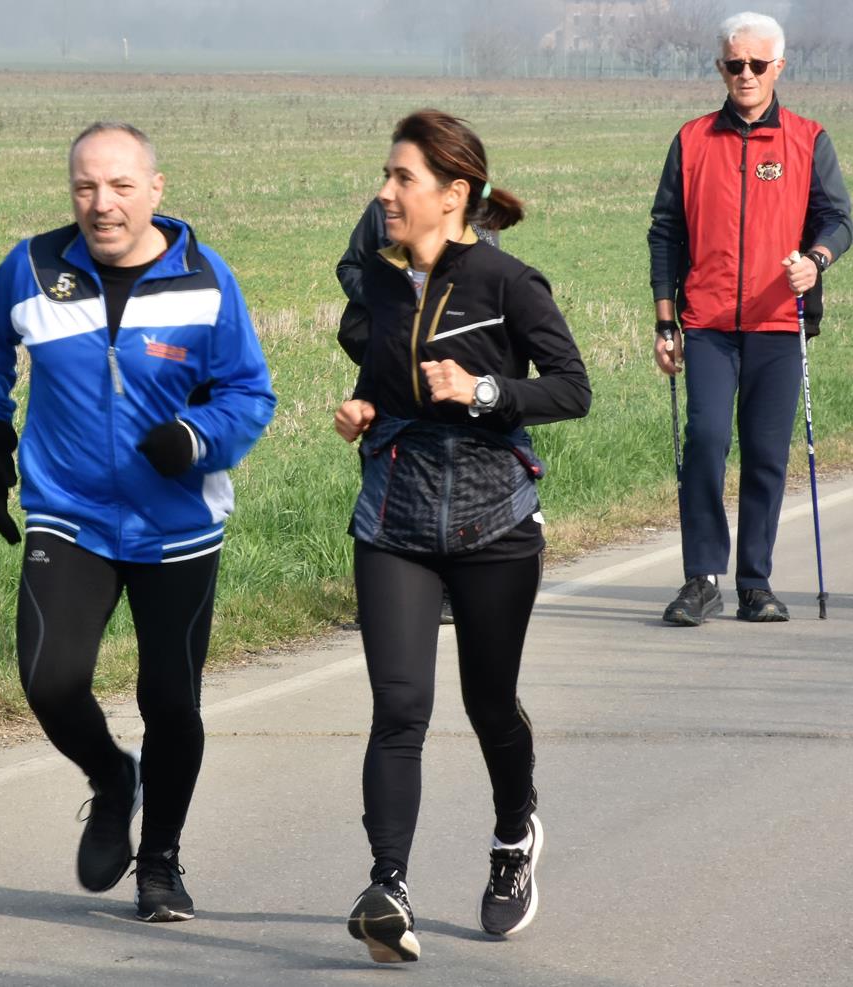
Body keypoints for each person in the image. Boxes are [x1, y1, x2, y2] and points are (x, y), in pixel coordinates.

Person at [0, 122, 276, 922]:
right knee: (49, 680)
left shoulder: (206, 281)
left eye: (121, 186)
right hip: (69, 513)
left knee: (171, 702)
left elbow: (250, 393)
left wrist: (197, 437)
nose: (102, 204)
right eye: (86, 187)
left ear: (155, 191)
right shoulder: (32, 269)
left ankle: (159, 860)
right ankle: (111, 776)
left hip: (179, 524)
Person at [334, 109, 590, 962]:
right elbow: (383, 374)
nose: (385, 191)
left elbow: (571, 388)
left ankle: (514, 833)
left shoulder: (508, 283)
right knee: (400, 706)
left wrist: (483, 391)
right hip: (395, 518)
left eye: (401, 177)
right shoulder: (380, 284)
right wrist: (364, 409)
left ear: (454, 193)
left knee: (489, 704)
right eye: (386, 174)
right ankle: (387, 887)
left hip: (493, 523)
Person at [648, 11, 852, 626]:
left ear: (778, 67)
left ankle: (755, 584)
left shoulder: (808, 139)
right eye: (735, 64)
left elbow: (837, 221)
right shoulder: (691, 141)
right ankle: (701, 578)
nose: (746, 74)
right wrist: (665, 323)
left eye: (757, 64)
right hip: (708, 324)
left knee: (765, 455)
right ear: (721, 67)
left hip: (778, 324)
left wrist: (816, 261)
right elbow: (665, 233)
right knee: (706, 441)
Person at [334, 201, 499, 626]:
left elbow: (494, 283)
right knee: (383, 471)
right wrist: (390, 297)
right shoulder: (383, 209)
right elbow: (349, 266)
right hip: (391, 361)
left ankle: (448, 591)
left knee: (454, 472)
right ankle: (382, 597)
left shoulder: (477, 209)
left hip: (456, 363)